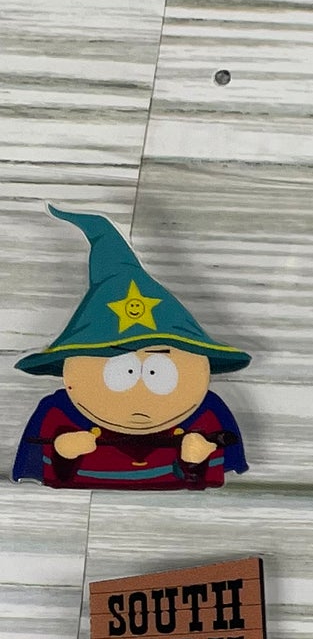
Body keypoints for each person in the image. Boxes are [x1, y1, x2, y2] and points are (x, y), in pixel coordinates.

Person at [12, 207, 250, 489]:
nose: (139, 400)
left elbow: (207, 473)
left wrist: (195, 459)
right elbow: (49, 472)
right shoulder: (57, 412)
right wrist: (64, 452)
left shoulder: (208, 412)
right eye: (121, 371)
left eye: (158, 373)